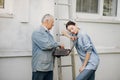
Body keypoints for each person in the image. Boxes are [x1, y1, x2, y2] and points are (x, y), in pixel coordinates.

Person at [32, 14, 64, 80]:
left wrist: (59, 52)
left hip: (49, 67)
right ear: (46, 21)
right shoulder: (37, 32)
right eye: (52, 22)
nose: (53, 24)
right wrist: (58, 44)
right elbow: (46, 45)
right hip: (40, 68)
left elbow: (52, 46)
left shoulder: (48, 33)